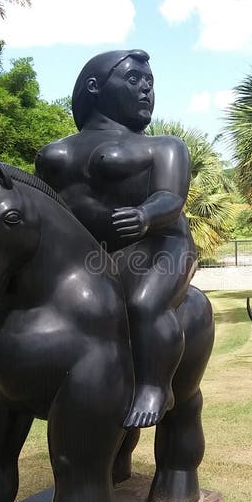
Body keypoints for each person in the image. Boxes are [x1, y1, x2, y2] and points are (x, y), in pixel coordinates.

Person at [35, 50, 197, 428]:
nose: (146, 90)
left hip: (161, 245)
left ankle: (155, 386)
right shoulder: (53, 152)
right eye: (134, 80)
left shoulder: (165, 146)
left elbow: (171, 197)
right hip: (93, 253)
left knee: (142, 303)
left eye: (150, 83)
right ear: (95, 86)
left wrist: (145, 215)